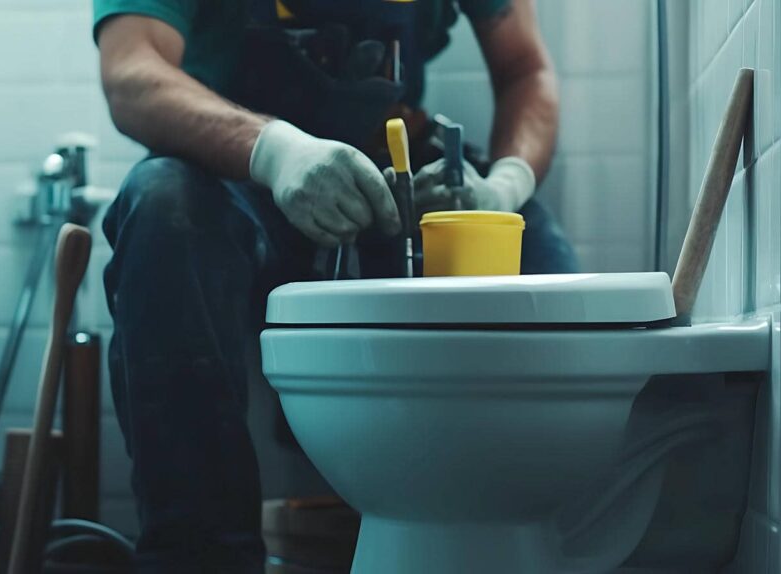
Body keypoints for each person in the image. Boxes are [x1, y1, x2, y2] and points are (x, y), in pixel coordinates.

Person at [93, 0, 577, 571]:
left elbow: (526, 67)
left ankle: (568, 545)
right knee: (161, 207)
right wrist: (275, 150)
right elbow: (131, 73)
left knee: (556, 295)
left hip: (396, 180)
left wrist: (505, 185)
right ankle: (201, 556)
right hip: (231, 173)